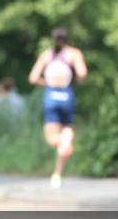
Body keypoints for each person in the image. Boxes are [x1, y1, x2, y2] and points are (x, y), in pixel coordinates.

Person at [28, 28, 88, 189]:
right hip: (67, 95)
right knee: (66, 129)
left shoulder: (47, 55)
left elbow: (33, 78)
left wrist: (47, 83)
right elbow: (82, 73)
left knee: (52, 139)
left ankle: (62, 144)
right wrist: (79, 81)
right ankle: (57, 173)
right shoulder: (74, 54)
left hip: (51, 95)